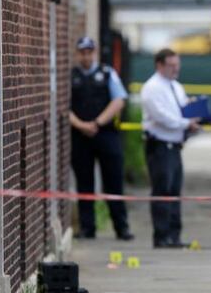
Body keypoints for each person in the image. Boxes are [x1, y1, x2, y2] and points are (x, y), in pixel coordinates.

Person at [69, 36, 133, 241]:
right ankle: (88, 229)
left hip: (106, 134)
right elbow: (64, 107)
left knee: (113, 182)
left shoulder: (107, 74)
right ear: (78, 53)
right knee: (84, 184)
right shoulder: (71, 76)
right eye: (82, 52)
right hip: (80, 136)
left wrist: (97, 123)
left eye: (89, 52)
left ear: (94, 53)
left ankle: (121, 227)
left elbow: (119, 101)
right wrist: (81, 125)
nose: (86, 56)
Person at [141, 48, 201, 248]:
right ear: (159, 65)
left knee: (174, 190)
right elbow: (162, 117)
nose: (176, 69)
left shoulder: (176, 86)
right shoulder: (152, 88)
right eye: (171, 65)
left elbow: (182, 109)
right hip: (159, 145)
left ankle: (174, 236)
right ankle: (161, 236)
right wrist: (186, 123)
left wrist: (194, 113)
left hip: (174, 146)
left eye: (177, 65)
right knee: (162, 190)